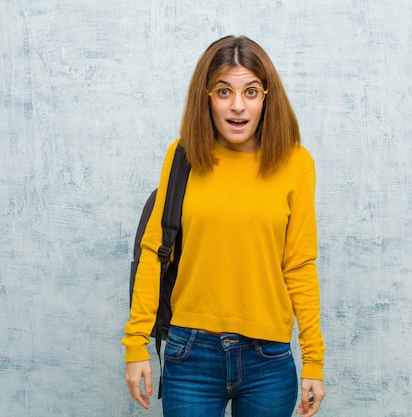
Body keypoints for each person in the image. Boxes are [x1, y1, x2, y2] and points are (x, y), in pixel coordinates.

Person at [123, 35, 326, 417]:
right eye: (223, 91)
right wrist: (136, 344)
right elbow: (154, 253)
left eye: (250, 91)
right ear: (207, 97)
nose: (237, 105)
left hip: (268, 358)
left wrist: (313, 361)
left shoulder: (297, 163)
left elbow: (299, 266)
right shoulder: (182, 156)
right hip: (190, 354)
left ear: (267, 96)